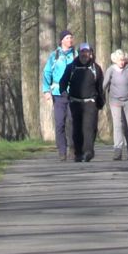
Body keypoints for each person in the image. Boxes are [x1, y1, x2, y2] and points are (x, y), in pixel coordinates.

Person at [59, 43, 105, 162]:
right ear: (78, 53)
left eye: (87, 52)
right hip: (75, 101)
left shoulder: (96, 68)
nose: (84, 55)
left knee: (89, 127)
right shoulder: (71, 67)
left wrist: (100, 101)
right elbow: (63, 82)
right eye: (82, 52)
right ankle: (78, 153)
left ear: (91, 54)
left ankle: (88, 151)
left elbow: (100, 86)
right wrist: (64, 93)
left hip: (90, 102)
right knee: (77, 128)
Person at [41, 30, 76, 160]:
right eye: (67, 38)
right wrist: (46, 90)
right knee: (60, 122)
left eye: (71, 38)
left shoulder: (76, 55)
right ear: (62, 40)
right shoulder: (54, 55)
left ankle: (73, 147)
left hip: (73, 93)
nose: (70, 40)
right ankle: (62, 150)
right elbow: (47, 73)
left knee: (72, 121)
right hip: (58, 93)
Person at [103, 49, 128, 160]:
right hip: (115, 101)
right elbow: (104, 85)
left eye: (124, 60)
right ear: (115, 60)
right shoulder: (110, 70)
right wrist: (99, 96)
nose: (122, 62)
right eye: (120, 60)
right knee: (117, 125)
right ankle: (118, 150)